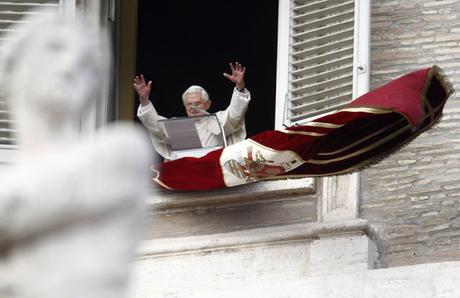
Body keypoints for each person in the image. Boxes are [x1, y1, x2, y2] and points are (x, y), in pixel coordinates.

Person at [133, 62, 251, 160]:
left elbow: (235, 114)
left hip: (213, 171)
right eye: (189, 104)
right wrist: (144, 100)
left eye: (197, 103)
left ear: (207, 104)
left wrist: (240, 87)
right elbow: (155, 126)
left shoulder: (218, 119)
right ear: (185, 107)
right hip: (185, 174)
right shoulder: (177, 125)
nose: (193, 107)